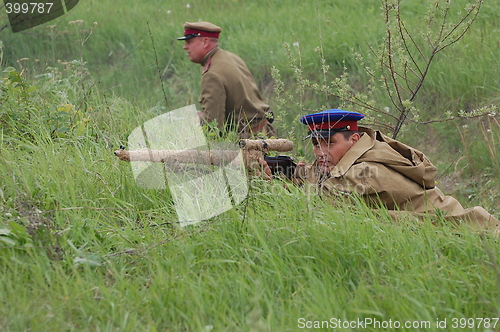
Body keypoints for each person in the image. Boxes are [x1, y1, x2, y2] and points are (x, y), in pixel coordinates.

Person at [263, 109, 499, 233]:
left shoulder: (365, 170)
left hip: (461, 230)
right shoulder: (368, 149)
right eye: (316, 144)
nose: (320, 152)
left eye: (329, 143)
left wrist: (274, 183)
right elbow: (322, 175)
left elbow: (317, 206)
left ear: (353, 139)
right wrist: (293, 172)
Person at [177, 21, 276, 139]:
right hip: (266, 133)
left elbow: (213, 126)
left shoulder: (212, 74)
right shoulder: (231, 58)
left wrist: (199, 119)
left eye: (189, 42)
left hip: (251, 143)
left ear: (205, 42)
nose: (185, 47)